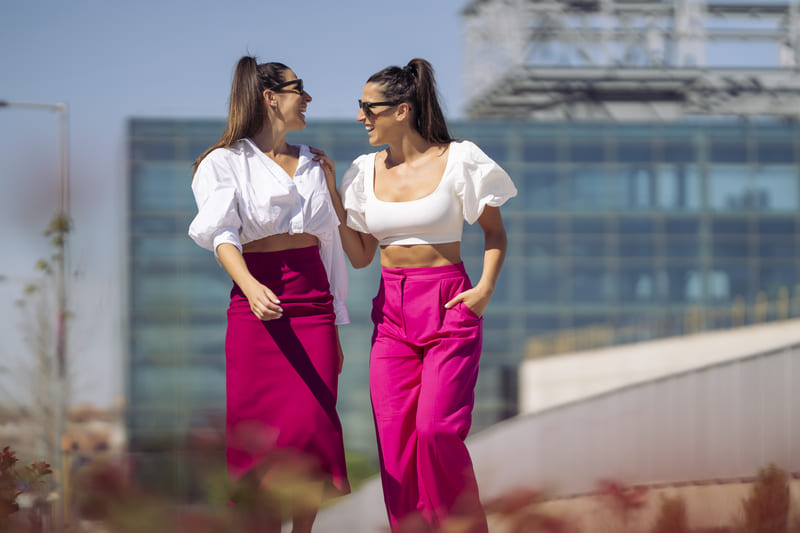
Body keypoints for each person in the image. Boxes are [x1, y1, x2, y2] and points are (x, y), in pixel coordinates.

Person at [317, 58, 517, 532]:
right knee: (396, 443)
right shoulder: (362, 172)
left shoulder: (461, 160)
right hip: (392, 314)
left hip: (449, 302)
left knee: (435, 431)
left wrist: (484, 289)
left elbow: (495, 234)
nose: (361, 116)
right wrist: (334, 199)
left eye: (370, 107)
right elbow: (363, 255)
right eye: (359, 107)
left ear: (402, 110)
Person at [188, 56, 350, 533]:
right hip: (256, 308)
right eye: (300, 89)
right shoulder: (223, 162)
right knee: (259, 445)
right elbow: (220, 234)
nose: (309, 98)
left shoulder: (316, 163)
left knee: (311, 431)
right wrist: (250, 284)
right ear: (270, 98)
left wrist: (337, 324)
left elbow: (333, 247)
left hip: (313, 306)